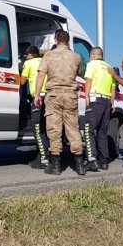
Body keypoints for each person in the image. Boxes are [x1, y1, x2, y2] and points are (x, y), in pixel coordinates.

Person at [34, 30, 86, 175]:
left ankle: (56, 166)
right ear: (68, 41)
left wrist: (37, 95)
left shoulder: (48, 56)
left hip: (54, 95)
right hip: (71, 96)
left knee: (54, 129)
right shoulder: (76, 57)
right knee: (73, 129)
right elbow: (80, 73)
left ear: (56, 40)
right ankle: (80, 166)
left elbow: (40, 76)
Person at [83, 47, 117, 171]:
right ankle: (104, 162)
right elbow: (113, 88)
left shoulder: (92, 64)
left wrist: (86, 96)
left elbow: (88, 80)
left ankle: (92, 160)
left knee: (89, 130)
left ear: (92, 55)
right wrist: (112, 104)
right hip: (107, 101)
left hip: (95, 100)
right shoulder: (109, 68)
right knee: (102, 132)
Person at [20, 45, 49, 169]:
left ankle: (44, 159)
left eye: (27, 55)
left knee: (37, 129)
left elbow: (22, 81)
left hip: (37, 98)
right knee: (47, 129)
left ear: (30, 55)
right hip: (49, 97)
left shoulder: (29, 62)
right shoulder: (45, 61)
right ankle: (45, 156)